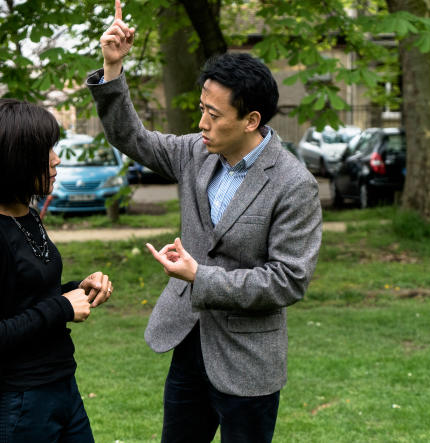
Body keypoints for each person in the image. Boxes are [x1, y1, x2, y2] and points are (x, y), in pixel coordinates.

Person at [86, 2, 322, 441]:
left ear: (251, 120)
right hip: (187, 340)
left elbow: (288, 281)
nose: (201, 123)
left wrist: (201, 276)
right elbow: (130, 137)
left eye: (214, 115)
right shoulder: (195, 152)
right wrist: (113, 67)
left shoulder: (294, 184)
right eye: (201, 109)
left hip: (248, 361)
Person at [0, 98, 113, 442]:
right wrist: (62, 307)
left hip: (62, 387)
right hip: (22, 403)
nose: (56, 159)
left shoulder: (27, 217)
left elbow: (27, 297)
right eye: (45, 151)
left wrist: (77, 289)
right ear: (15, 158)